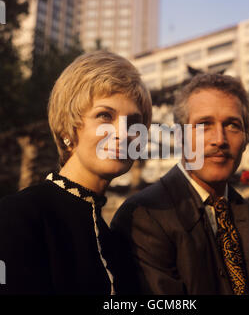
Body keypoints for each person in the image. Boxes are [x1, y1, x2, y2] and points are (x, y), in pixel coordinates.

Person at [0, 50, 152, 295]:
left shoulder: (116, 242)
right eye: (105, 115)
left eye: (134, 123)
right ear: (68, 128)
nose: (123, 134)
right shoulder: (19, 216)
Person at [111, 73, 249, 295]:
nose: (220, 139)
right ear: (179, 137)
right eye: (204, 124)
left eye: (232, 125)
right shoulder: (143, 217)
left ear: (245, 138)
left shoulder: (247, 212)